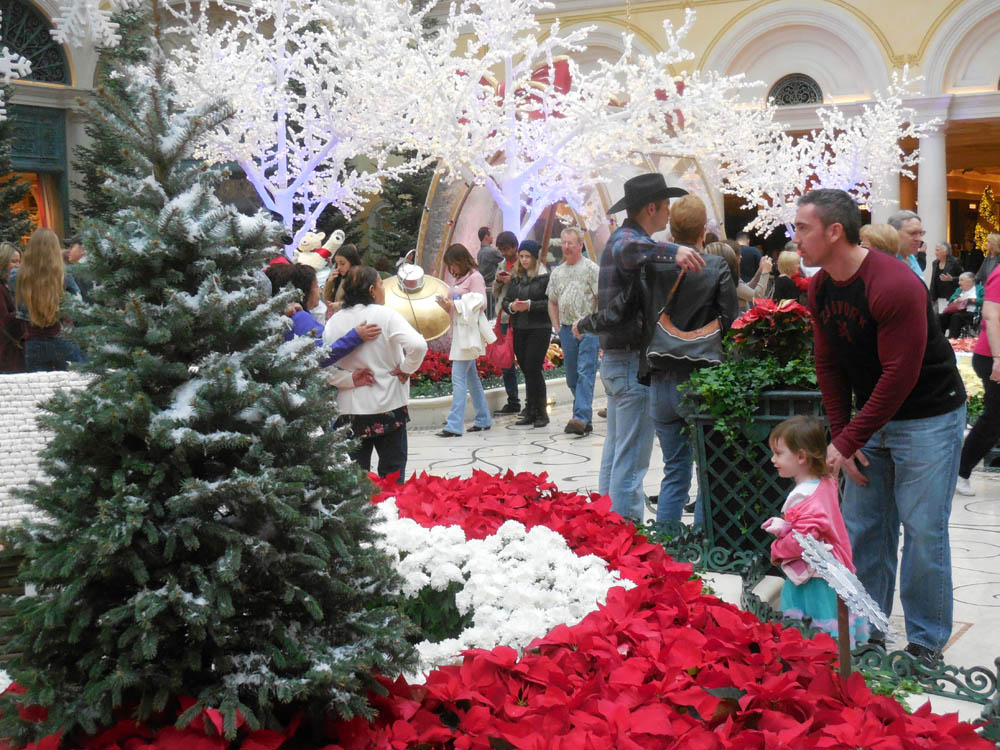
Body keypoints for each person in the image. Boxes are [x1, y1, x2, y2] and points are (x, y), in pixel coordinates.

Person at [795, 188, 966, 661]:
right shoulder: (823, 286)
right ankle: (867, 632)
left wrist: (850, 438)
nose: (795, 237)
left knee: (923, 528)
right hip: (874, 422)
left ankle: (926, 643)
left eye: (802, 227)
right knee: (865, 528)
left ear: (834, 231)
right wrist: (843, 433)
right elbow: (828, 364)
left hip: (927, 417)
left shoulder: (892, 283)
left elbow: (901, 374)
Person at [573, 173, 705, 521]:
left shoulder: (626, 238)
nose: (668, 215)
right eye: (666, 207)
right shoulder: (627, 240)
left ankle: (605, 525)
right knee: (630, 463)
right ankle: (624, 533)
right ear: (652, 207)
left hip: (619, 364)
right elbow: (629, 250)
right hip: (631, 365)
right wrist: (675, 249)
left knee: (617, 454)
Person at [762, 415, 869, 645]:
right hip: (831, 566)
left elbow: (803, 540)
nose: (773, 459)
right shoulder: (825, 481)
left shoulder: (802, 496)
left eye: (779, 453)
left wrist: (777, 548)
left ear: (801, 456)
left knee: (812, 633)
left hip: (813, 576)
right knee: (831, 623)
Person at [323, 267, 428, 481]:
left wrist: (348, 379)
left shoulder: (335, 321)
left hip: (351, 408)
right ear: (372, 290)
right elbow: (418, 345)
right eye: (381, 284)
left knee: (355, 479)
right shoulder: (385, 315)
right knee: (392, 475)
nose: (383, 289)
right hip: (388, 405)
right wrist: (406, 368)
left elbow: (322, 365)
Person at [265, 262, 380, 367]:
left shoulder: (292, 315)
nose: (319, 291)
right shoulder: (299, 317)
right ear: (303, 292)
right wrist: (355, 336)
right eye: (316, 286)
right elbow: (320, 355)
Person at [436, 243, 494, 438]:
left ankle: (454, 424)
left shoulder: (475, 277)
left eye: (453, 264)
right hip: (461, 333)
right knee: (471, 379)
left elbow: (481, 302)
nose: (451, 269)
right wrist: (447, 304)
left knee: (458, 377)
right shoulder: (462, 278)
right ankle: (483, 418)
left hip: (468, 335)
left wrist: (456, 302)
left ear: (461, 260)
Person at [547, 227, 599, 435]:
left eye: (571, 243)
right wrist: (558, 328)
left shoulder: (591, 269)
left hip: (587, 329)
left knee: (585, 372)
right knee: (571, 377)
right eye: (564, 243)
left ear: (580, 245)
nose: (566, 247)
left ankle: (579, 417)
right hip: (567, 330)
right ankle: (584, 415)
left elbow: (599, 299)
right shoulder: (557, 273)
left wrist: (592, 323)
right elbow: (552, 302)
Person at [10, 228, 85, 372]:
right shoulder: (64, 274)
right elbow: (78, 304)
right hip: (64, 337)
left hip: (33, 341)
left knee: (40, 390)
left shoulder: (16, 276)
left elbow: (17, 303)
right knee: (73, 388)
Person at [956, 259, 1000, 497]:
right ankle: (961, 472)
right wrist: (998, 358)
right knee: (994, 419)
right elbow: (992, 317)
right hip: (992, 356)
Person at [501, 240, 551, 428]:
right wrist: (512, 307)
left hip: (539, 327)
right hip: (520, 327)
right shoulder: (516, 277)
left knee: (533, 367)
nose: (523, 260)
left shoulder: (544, 277)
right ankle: (530, 411)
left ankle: (541, 412)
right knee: (526, 368)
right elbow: (507, 300)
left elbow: (550, 303)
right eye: (521, 256)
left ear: (534, 257)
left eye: (527, 256)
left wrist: (530, 305)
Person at [491, 231, 522, 415]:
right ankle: (513, 400)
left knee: (524, 360)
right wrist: (498, 280)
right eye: (501, 249)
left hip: (519, 317)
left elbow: (529, 286)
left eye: (506, 249)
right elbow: (495, 292)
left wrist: (513, 281)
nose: (503, 253)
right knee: (506, 361)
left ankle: (532, 401)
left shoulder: (524, 262)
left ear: (514, 247)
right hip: (503, 317)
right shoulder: (501, 265)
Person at [0, 241, 25, 372]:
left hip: (18, 351)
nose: (18, 266)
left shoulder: (14, 286)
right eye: (13, 261)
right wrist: (25, 310)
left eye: (19, 261)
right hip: (7, 353)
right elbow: (4, 320)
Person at [322, 244, 362, 317]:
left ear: (352, 262)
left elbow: (358, 303)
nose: (339, 267)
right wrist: (330, 282)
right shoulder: (340, 277)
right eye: (337, 264)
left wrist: (339, 305)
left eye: (342, 263)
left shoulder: (359, 278)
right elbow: (328, 302)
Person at [938, 272, 981, 339]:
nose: (959, 282)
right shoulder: (959, 290)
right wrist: (956, 300)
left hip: (970, 313)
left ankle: (952, 339)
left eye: (961, 280)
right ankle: (939, 338)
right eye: (959, 280)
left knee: (956, 317)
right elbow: (951, 300)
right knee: (941, 316)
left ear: (970, 282)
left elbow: (984, 300)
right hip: (957, 311)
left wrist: (969, 300)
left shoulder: (979, 289)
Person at [887, 210, 926, 280]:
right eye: (913, 233)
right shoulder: (886, 263)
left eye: (920, 233)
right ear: (894, 233)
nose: (918, 239)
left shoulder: (911, 258)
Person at [477, 227, 503, 318]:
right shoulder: (492, 251)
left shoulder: (480, 252)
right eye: (491, 235)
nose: (493, 238)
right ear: (486, 237)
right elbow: (505, 261)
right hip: (492, 287)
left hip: (485, 287)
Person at [929, 242, 962, 314]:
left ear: (945, 252)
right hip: (936, 297)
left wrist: (952, 279)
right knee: (936, 319)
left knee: (946, 319)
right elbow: (933, 280)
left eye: (937, 250)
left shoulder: (955, 262)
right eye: (935, 250)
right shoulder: (935, 263)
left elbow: (963, 278)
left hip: (950, 297)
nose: (935, 253)